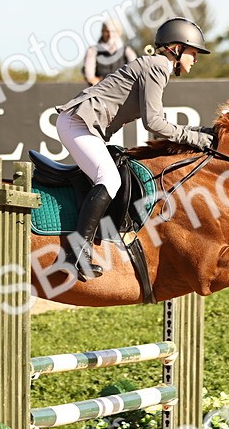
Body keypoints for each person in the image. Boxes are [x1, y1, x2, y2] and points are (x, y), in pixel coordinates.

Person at [54, 17, 215, 280]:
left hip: (81, 123)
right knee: (109, 179)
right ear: (176, 48)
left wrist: (194, 134)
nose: (195, 59)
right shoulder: (159, 66)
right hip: (77, 123)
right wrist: (195, 138)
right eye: (193, 53)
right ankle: (76, 253)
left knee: (110, 175)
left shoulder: (156, 65)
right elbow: (154, 122)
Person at [83, 19, 138, 86]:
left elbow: (135, 71)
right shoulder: (93, 51)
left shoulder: (127, 51)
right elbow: (90, 76)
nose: (110, 35)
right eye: (107, 31)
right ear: (102, 32)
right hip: (99, 90)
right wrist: (94, 81)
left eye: (113, 31)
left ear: (119, 32)